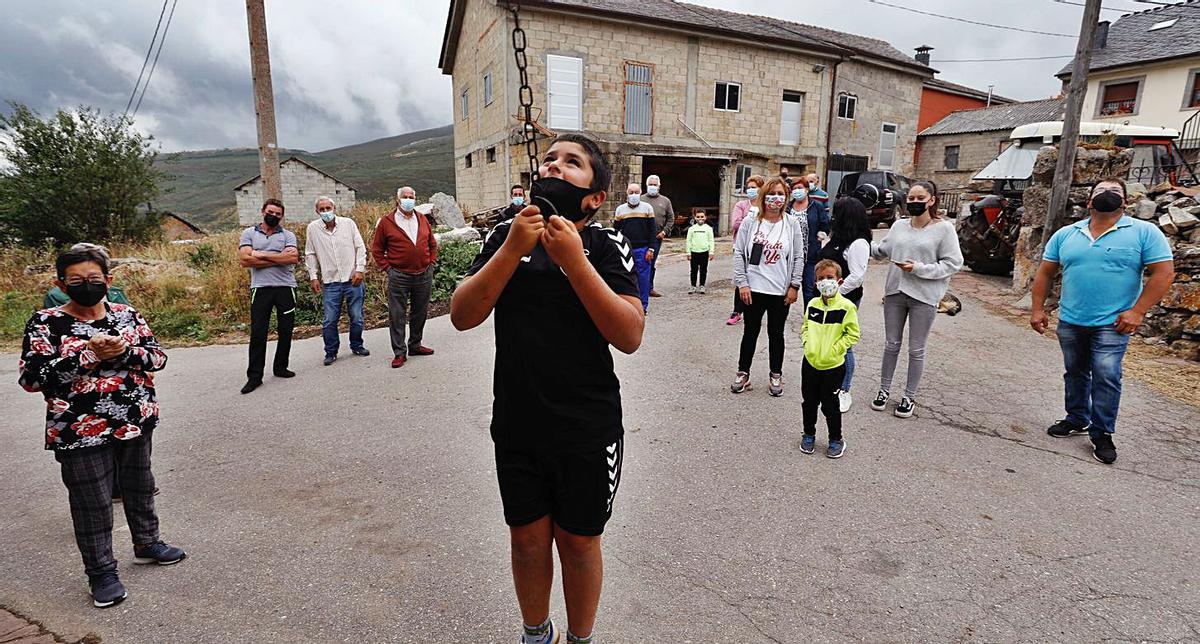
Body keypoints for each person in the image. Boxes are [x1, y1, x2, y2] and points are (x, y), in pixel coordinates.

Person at [449, 132, 644, 644]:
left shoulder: (606, 243)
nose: (555, 166)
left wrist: (575, 262)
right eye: (551, 159)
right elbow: (463, 315)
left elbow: (629, 334)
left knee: (579, 544)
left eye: (573, 163)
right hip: (517, 423)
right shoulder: (503, 237)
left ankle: (580, 639)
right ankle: (537, 634)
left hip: (586, 428)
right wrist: (514, 247)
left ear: (594, 197)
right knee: (528, 541)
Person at [19, 245, 185, 609]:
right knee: (92, 503)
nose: (86, 285)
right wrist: (88, 354)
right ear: (60, 283)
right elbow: (32, 379)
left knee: (140, 486)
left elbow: (157, 357)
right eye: (76, 280)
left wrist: (122, 351)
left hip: (134, 419)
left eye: (94, 279)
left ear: (109, 281)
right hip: (79, 428)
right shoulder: (45, 322)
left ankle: (147, 543)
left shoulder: (126, 314)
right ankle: (101, 572)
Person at [1030, 179, 1174, 465]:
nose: (1107, 195)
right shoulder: (1067, 234)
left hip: (1114, 322)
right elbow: (1045, 273)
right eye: (1100, 191)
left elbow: (1164, 273)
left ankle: (1102, 432)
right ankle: (1077, 418)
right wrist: (1038, 309)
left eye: (1115, 192)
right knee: (1075, 371)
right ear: (1089, 201)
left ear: (1124, 202)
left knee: (1107, 373)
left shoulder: (1144, 232)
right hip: (1071, 319)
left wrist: (1138, 311)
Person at [869, 180, 963, 418]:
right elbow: (882, 251)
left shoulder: (944, 229)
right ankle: (884, 390)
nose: (914, 202)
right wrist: (857, 241)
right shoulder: (899, 226)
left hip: (924, 295)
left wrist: (918, 268)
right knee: (891, 344)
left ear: (932, 200)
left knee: (916, 349)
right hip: (895, 292)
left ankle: (908, 397)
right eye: (911, 198)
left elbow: (953, 263)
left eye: (920, 198)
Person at [731, 177, 807, 397]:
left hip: (779, 291)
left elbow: (799, 256)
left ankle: (776, 373)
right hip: (753, 289)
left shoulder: (792, 224)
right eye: (772, 194)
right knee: (750, 332)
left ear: (786, 198)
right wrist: (742, 283)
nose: (776, 198)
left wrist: (794, 285)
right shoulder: (751, 222)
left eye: (781, 194)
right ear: (764, 196)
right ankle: (743, 372)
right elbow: (738, 253)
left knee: (776, 334)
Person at [371, 186, 438, 369]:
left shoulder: (422, 219)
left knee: (420, 312)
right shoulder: (386, 222)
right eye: (405, 197)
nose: (408, 199)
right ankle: (399, 352)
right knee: (397, 315)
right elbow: (377, 249)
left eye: (411, 197)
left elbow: (432, 243)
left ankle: (415, 345)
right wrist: (388, 269)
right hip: (399, 275)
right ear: (398, 200)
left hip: (423, 273)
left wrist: (431, 263)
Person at [800, 259, 861, 459]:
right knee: (809, 403)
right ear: (815, 282)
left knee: (830, 406)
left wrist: (837, 349)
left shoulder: (846, 307)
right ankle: (808, 434)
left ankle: (836, 439)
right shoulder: (813, 304)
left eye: (829, 278)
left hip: (833, 366)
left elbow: (853, 334)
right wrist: (807, 344)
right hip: (810, 364)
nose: (825, 282)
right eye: (820, 279)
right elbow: (806, 326)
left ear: (839, 281)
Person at [238, 198, 300, 394]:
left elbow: (292, 258)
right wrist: (277, 257)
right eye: (270, 212)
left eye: (278, 214)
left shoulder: (288, 235)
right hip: (261, 288)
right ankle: (255, 377)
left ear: (282, 217)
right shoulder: (248, 233)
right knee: (258, 333)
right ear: (263, 211)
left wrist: (261, 255)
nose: (273, 216)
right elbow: (245, 260)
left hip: (285, 287)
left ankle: (280, 367)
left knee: (286, 330)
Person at [820, 197, 872, 412]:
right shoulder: (839, 237)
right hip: (826, 298)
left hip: (844, 300)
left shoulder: (858, 243)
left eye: (837, 213)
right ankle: (829, 381)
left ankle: (844, 389)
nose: (833, 217)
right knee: (828, 338)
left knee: (844, 344)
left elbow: (857, 276)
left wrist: (835, 295)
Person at [305, 196, 369, 366]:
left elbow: (360, 247)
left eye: (328, 208)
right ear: (317, 211)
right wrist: (313, 276)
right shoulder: (313, 228)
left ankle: (357, 345)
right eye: (322, 209)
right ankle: (331, 352)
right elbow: (310, 253)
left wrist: (360, 269)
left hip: (352, 279)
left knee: (356, 317)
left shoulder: (348, 224)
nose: (326, 212)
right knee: (329, 320)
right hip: (330, 282)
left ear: (334, 208)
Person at [613, 182, 657, 312]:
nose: (634, 195)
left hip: (643, 249)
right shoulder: (620, 210)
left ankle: (642, 307)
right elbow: (616, 231)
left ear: (641, 193)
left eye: (636, 192)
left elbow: (652, 231)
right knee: (626, 278)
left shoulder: (647, 208)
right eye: (631, 192)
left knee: (643, 279)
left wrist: (651, 249)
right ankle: (629, 305)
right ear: (627, 193)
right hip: (625, 249)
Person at [728, 175, 765, 325]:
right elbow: (735, 224)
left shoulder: (765, 205)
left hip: (759, 246)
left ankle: (756, 308)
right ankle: (737, 310)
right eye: (749, 187)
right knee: (741, 278)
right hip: (741, 246)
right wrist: (750, 218)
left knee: (756, 276)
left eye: (754, 187)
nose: (751, 190)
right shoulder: (741, 205)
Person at [44, 244, 130, 308]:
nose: (87, 285)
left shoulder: (117, 294)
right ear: (62, 285)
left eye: (95, 277)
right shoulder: (55, 297)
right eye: (76, 280)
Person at [789, 181, 830, 304]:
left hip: (810, 254)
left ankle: (810, 319)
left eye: (800, 188)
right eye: (794, 188)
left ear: (807, 189)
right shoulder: (788, 207)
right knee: (786, 289)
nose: (797, 190)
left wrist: (821, 234)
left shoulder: (816, 206)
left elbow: (825, 223)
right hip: (790, 254)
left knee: (810, 290)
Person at [641, 174, 673, 297]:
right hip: (641, 236)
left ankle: (649, 288)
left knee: (651, 262)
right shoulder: (640, 199)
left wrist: (664, 231)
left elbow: (671, 218)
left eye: (655, 185)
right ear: (646, 185)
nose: (652, 187)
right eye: (651, 185)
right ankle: (639, 287)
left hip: (656, 237)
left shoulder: (665, 201)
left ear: (659, 186)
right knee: (640, 262)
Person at [686, 208, 714, 294]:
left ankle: (702, 285)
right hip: (694, 252)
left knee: (703, 270)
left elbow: (711, 241)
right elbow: (688, 241)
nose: (700, 218)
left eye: (702, 216)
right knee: (693, 270)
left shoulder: (708, 228)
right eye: (698, 217)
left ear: (705, 217)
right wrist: (688, 252)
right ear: (695, 218)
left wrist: (711, 252)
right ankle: (693, 286)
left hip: (704, 252)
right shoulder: (692, 229)